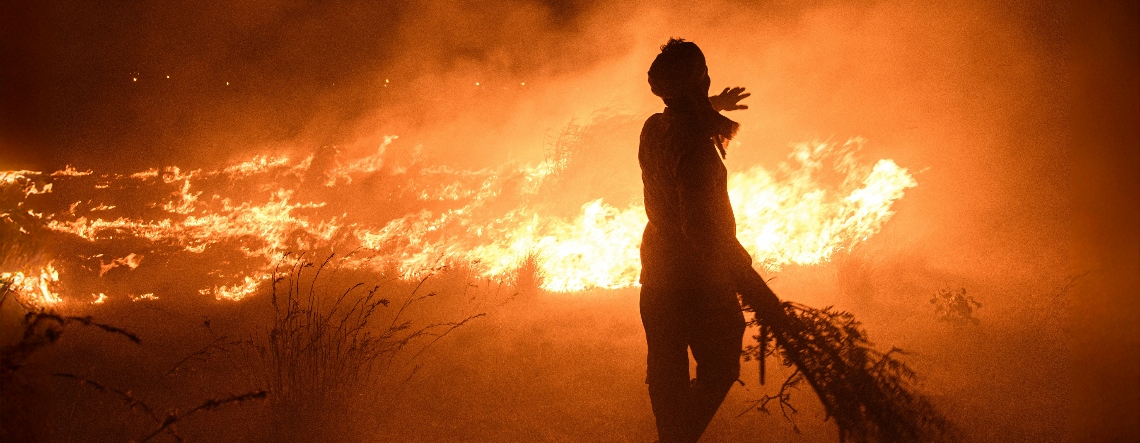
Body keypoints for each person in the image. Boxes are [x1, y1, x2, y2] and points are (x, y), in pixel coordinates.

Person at [638, 38, 781, 443]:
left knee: (667, 376)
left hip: (657, 277)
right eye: (703, 74)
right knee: (719, 367)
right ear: (697, 82)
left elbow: (683, 112)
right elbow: (701, 228)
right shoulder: (695, 147)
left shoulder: (655, 127)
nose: (708, 79)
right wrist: (753, 285)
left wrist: (714, 103)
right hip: (697, 281)